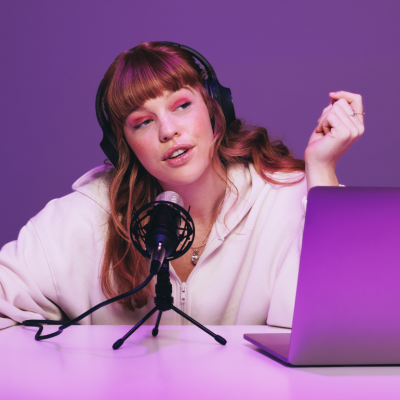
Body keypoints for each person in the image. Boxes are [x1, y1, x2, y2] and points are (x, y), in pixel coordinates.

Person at [0, 42, 364, 330]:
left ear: (214, 108)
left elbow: (344, 319)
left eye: (182, 105)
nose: (168, 130)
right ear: (122, 145)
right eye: (142, 122)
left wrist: (321, 169)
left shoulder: (289, 197)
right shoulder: (80, 218)